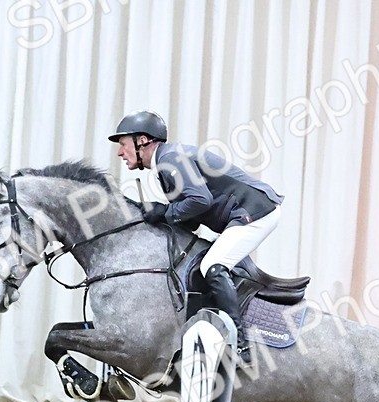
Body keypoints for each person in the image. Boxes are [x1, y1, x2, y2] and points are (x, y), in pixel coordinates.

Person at [109, 110, 283, 364]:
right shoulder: (164, 164)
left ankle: (240, 344)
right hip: (245, 211)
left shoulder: (170, 159)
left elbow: (201, 200)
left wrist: (166, 212)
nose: (120, 153)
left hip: (256, 210)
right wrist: (162, 214)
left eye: (123, 144)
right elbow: (193, 214)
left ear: (142, 140)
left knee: (213, 265)